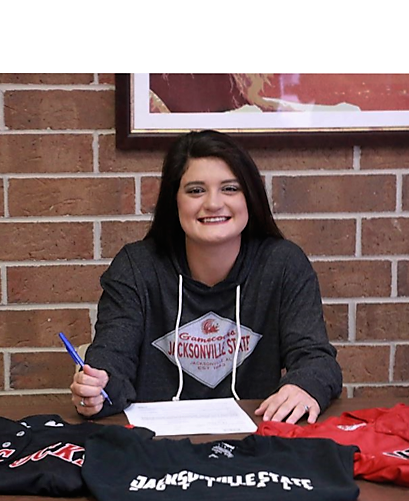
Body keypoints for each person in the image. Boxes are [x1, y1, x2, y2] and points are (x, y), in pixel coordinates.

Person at [70, 130, 341, 424]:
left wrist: (304, 385)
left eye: (230, 188)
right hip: (155, 448)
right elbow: (112, 360)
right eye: (196, 190)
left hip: (255, 444)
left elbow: (317, 359)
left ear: (250, 197)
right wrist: (97, 389)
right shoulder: (136, 267)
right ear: (174, 201)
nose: (213, 203)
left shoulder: (284, 264)